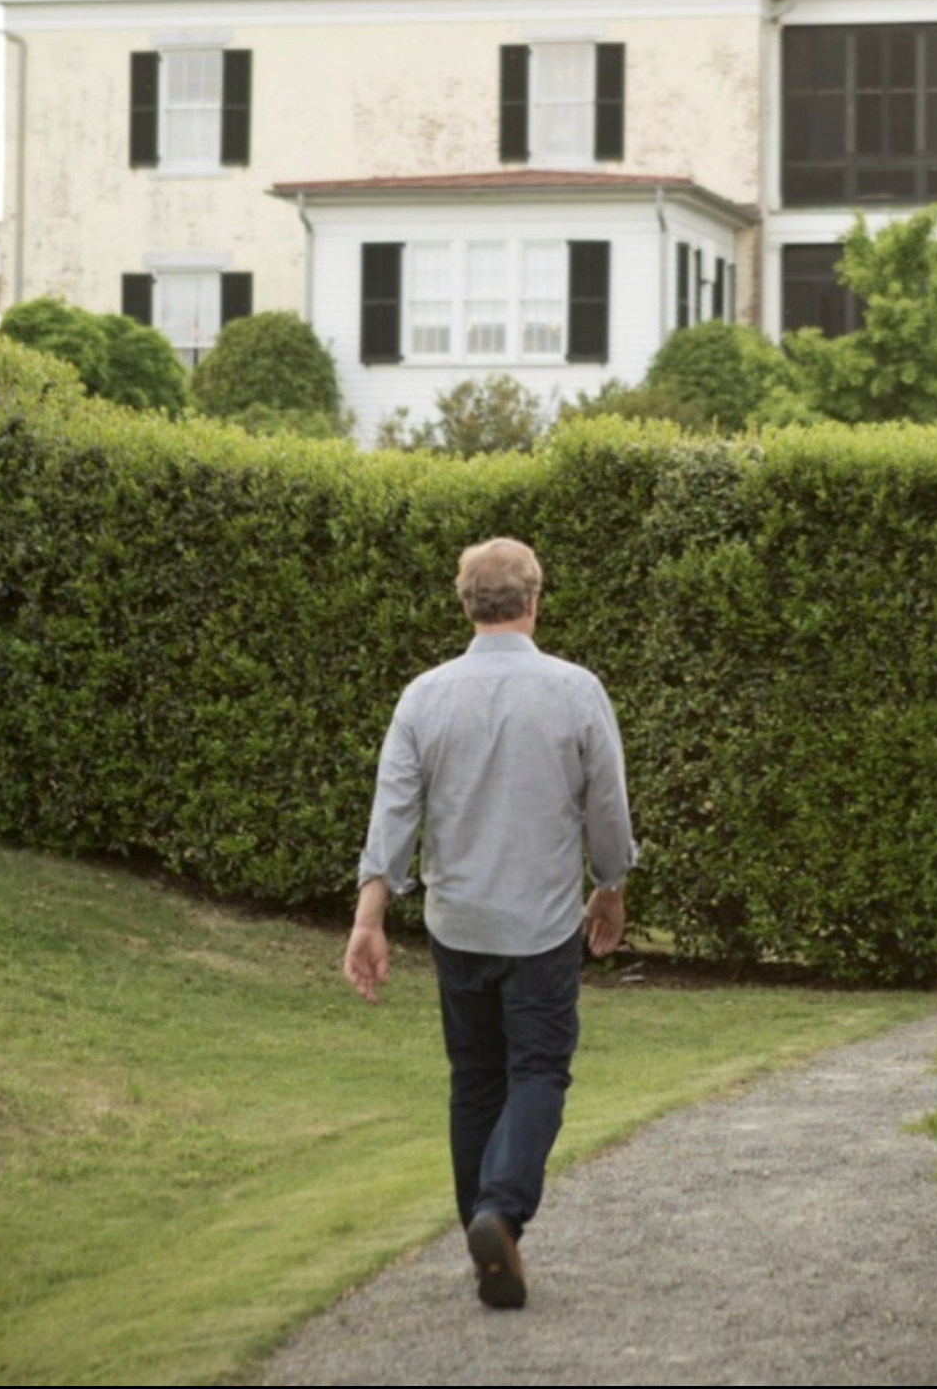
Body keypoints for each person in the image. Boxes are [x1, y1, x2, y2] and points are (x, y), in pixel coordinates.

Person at [342, 537, 636, 1311]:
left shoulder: (423, 697)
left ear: (466, 604)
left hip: (458, 922)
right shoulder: (575, 691)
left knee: (474, 1079)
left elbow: (394, 814)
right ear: (534, 601)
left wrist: (370, 918)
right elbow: (606, 806)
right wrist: (610, 885)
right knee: (537, 1070)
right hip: (539, 926)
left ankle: (485, 1239)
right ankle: (498, 1213)